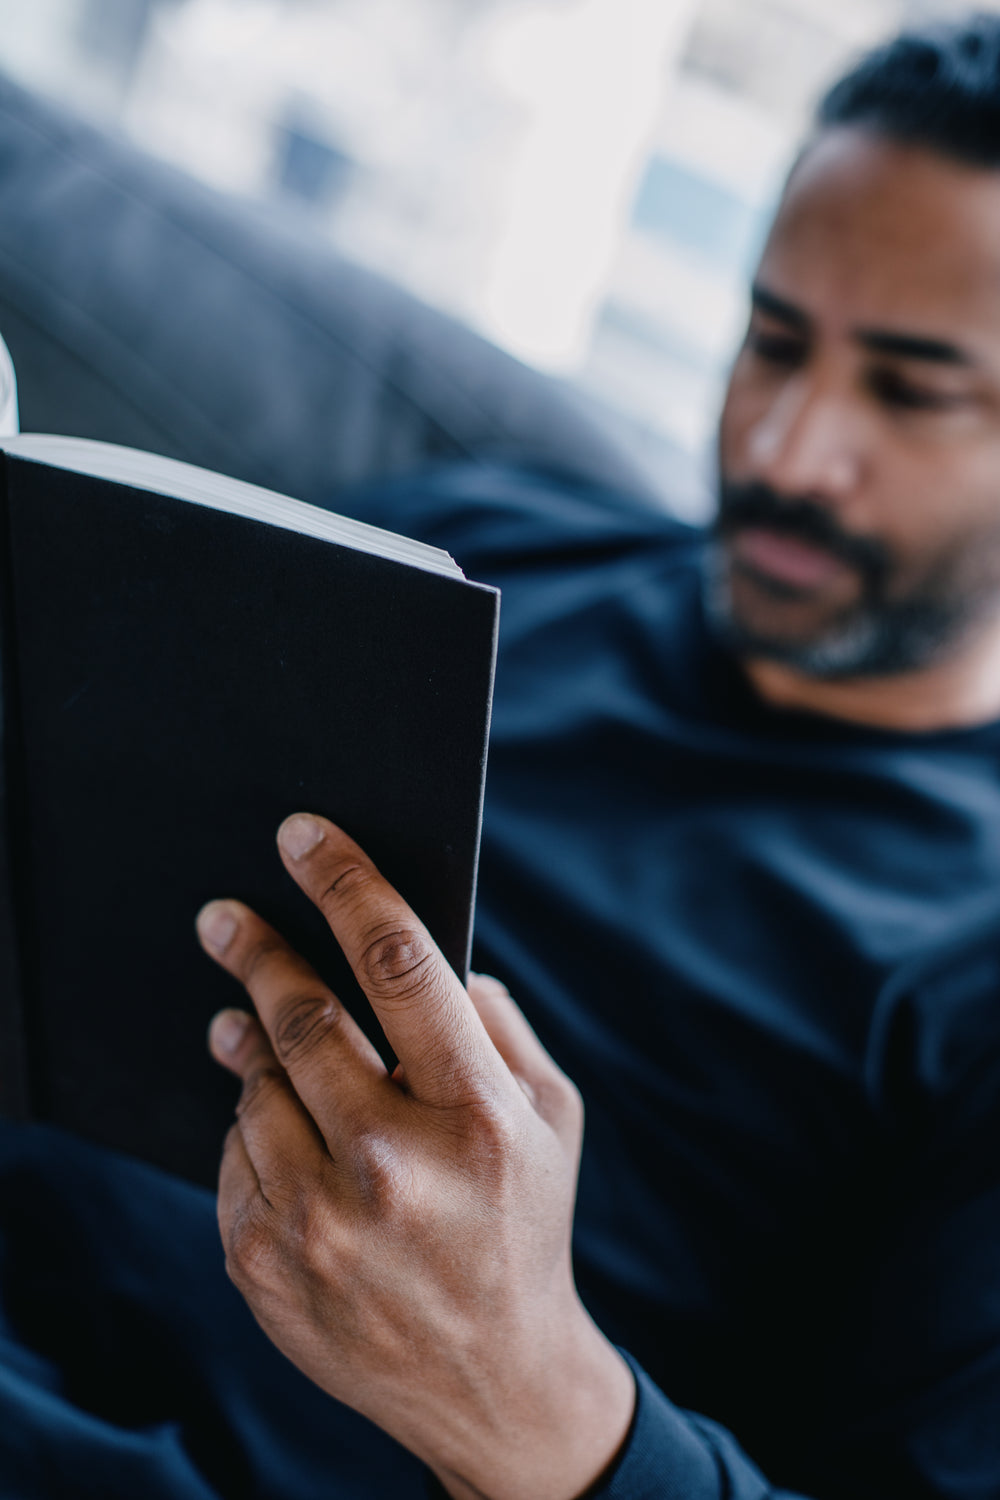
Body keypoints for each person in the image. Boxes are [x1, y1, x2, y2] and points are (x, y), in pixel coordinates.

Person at [5, 11, 1000, 1498]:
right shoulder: (503, 540)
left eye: (911, 391)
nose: (789, 448)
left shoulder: (971, 961)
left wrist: (537, 1395)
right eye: (773, 339)